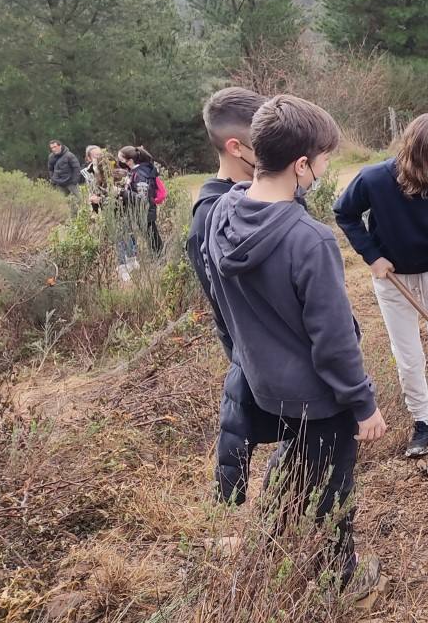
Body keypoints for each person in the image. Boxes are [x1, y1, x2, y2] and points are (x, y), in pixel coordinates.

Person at [203, 94, 386, 596]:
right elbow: (332, 343)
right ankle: (338, 579)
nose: (325, 170)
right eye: (324, 160)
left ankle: (275, 548)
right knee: (332, 490)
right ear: (301, 164)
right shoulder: (310, 240)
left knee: (293, 467)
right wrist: (363, 404)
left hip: (265, 387)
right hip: (320, 399)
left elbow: (221, 303)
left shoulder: (221, 212)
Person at [335, 113, 428, 458]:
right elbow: (345, 212)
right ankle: (422, 424)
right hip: (392, 278)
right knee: (408, 355)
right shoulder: (374, 179)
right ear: (415, 154)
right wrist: (372, 256)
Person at [185, 87, 283, 505]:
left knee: (304, 454)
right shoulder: (210, 217)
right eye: (264, 143)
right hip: (267, 360)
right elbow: (226, 313)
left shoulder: (273, 194)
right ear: (236, 146)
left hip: (301, 360)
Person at [118, 146, 163, 253]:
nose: (119, 161)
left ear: (129, 161)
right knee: (151, 237)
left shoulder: (140, 175)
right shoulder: (135, 172)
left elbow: (142, 199)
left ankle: (159, 259)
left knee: (153, 239)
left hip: (145, 212)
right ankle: (159, 257)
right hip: (142, 212)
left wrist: (122, 192)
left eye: (121, 159)